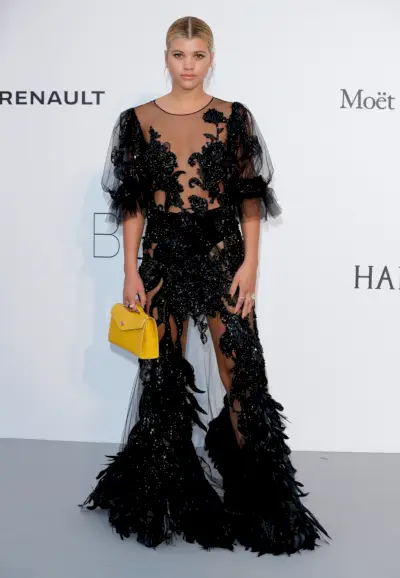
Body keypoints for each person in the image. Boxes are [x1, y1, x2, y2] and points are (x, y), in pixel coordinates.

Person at [79, 15, 330, 556]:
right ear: (165, 57)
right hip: (163, 256)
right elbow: (133, 206)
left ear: (211, 58)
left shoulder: (235, 117)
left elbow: (250, 199)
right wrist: (129, 270)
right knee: (165, 376)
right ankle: (167, 494)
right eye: (179, 55)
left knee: (242, 371)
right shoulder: (136, 121)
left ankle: (259, 498)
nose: (188, 65)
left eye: (197, 55)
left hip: (222, 254)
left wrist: (251, 264)